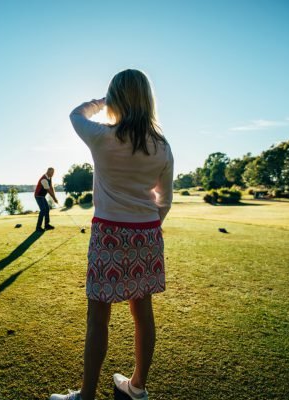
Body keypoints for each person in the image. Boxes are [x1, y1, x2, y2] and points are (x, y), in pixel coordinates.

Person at [50, 69, 173, 400]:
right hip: (146, 235)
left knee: (98, 317)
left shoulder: (102, 135)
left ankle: (86, 395)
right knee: (142, 312)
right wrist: (145, 223)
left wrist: (103, 101)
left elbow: (75, 114)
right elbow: (165, 200)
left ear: (115, 99)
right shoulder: (161, 146)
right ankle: (137, 387)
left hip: (108, 234)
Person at [35, 167, 59, 232]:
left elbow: (51, 187)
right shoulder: (44, 179)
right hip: (38, 196)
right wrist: (54, 198)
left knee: (47, 209)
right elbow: (48, 190)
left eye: (53, 173)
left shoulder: (49, 178)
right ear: (48, 171)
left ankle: (46, 225)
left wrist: (55, 197)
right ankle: (38, 227)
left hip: (42, 196)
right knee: (43, 210)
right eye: (51, 173)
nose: (52, 174)